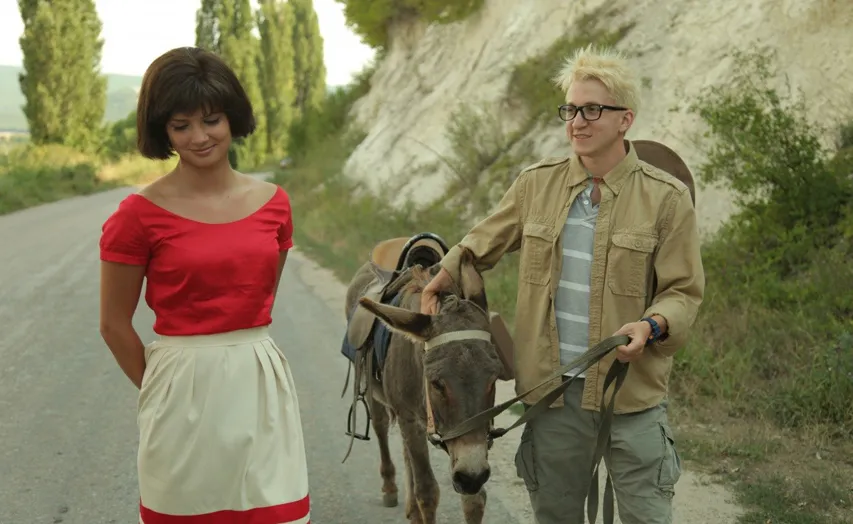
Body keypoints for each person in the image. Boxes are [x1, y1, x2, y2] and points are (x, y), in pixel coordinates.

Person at [420, 44, 704, 524]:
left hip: (631, 397)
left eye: (592, 110)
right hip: (553, 400)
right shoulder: (535, 185)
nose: (577, 121)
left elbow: (683, 292)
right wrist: (442, 275)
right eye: (570, 110)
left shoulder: (667, 199)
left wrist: (652, 326)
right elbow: (481, 242)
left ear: (625, 120)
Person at [98, 47, 310, 524]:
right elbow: (113, 324)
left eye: (211, 120)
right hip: (179, 388)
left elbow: (258, 298)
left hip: (260, 381)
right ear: (163, 131)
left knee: (276, 514)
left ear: (232, 117)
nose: (199, 137)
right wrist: (161, 389)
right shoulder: (137, 216)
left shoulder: (275, 204)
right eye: (181, 126)